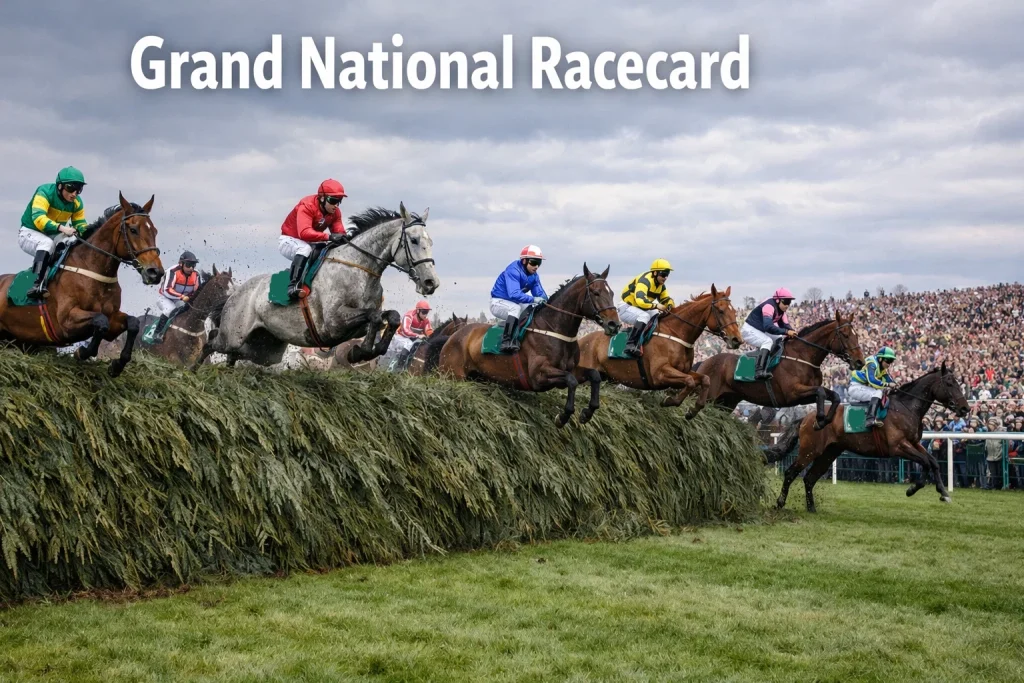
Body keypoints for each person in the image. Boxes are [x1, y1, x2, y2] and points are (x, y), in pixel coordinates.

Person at [18, 167, 88, 300]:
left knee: (71, 241)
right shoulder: (44, 192)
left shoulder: (77, 203)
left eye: (78, 189)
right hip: (29, 232)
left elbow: (80, 225)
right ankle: (37, 285)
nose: (74, 193)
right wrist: (63, 229)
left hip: (52, 234)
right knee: (47, 244)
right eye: (70, 188)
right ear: (60, 186)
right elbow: (39, 219)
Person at [279, 179, 348, 299]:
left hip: (310, 241)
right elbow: (304, 233)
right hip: (289, 240)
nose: (336, 205)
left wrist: (344, 239)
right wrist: (329, 237)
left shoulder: (335, 212)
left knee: (327, 250)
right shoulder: (307, 206)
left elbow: (340, 232)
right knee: (304, 248)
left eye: (339, 201)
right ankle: (293, 286)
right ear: (322, 198)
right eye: (333, 201)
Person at [490, 245, 548, 353]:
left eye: (539, 263)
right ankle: (506, 341)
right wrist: (533, 299)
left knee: (532, 309)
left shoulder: (534, 276)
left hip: (515, 303)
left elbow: (540, 293)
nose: (536, 266)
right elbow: (514, 294)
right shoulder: (513, 270)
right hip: (498, 302)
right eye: (534, 262)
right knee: (515, 309)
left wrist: (547, 302)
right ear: (524, 261)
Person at [617, 259, 675, 357]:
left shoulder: (660, 286)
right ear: (655, 272)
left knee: (656, 314)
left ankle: (646, 341)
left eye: (667, 275)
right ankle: (630, 345)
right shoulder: (644, 281)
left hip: (639, 308)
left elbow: (665, 298)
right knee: (644, 316)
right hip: (626, 307)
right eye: (663, 274)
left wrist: (669, 305)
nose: (665, 277)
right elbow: (640, 300)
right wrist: (656, 305)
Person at [741, 288, 798, 380]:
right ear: (778, 300)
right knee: (767, 341)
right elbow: (768, 327)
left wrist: (793, 332)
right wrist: (787, 332)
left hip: (760, 330)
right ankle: (759, 371)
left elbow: (785, 325)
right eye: (786, 302)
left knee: (779, 338)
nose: (787, 305)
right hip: (749, 329)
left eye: (789, 302)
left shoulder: (781, 311)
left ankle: (769, 364)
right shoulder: (769, 306)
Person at [152, 251, 201, 343]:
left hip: (182, 299)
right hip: (166, 297)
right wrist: (182, 297)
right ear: (181, 263)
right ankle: (157, 333)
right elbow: (167, 290)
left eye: (193, 265)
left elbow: (198, 291)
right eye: (188, 265)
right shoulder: (172, 271)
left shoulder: (196, 275)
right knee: (170, 309)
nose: (191, 268)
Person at [849, 346, 898, 428]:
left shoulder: (882, 368)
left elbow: (889, 379)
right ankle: (870, 419)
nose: (889, 364)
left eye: (891, 361)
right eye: (888, 361)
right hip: (856, 388)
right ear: (880, 359)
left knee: (882, 392)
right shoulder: (872, 363)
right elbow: (872, 380)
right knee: (878, 392)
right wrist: (888, 385)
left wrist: (895, 385)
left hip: (864, 388)